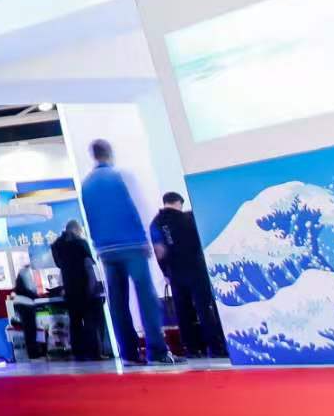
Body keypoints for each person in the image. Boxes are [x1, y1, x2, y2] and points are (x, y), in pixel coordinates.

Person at [80, 139, 175, 364]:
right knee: (146, 297)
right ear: (110, 153)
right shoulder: (121, 176)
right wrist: (154, 240)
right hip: (132, 244)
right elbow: (141, 207)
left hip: (106, 250)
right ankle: (157, 351)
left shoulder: (86, 184)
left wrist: (98, 246)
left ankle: (129, 354)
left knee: (118, 302)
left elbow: (89, 217)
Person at [151, 192, 227, 358]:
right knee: (204, 308)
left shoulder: (155, 223)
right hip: (196, 269)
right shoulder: (188, 218)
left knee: (183, 311)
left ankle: (192, 348)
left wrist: (165, 273)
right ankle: (215, 347)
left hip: (174, 272)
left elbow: (159, 252)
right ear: (179, 203)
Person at [51, 220, 102, 361]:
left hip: (70, 287)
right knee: (90, 321)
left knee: (75, 322)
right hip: (85, 285)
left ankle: (78, 353)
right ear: (77, 230)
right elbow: (89, 265)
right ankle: (94, 352)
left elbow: (59, 265)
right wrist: (93, 286)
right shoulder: (81, 243)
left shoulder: (57, 246)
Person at [12, 263, 42, 359]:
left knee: (29, 329)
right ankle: (32, 353)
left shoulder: (23, 272)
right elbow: (28, 289)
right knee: (30, 329)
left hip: (22, 302)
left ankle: (32, 352)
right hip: (25, 303)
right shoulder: (25, 272)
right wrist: (36, 296)